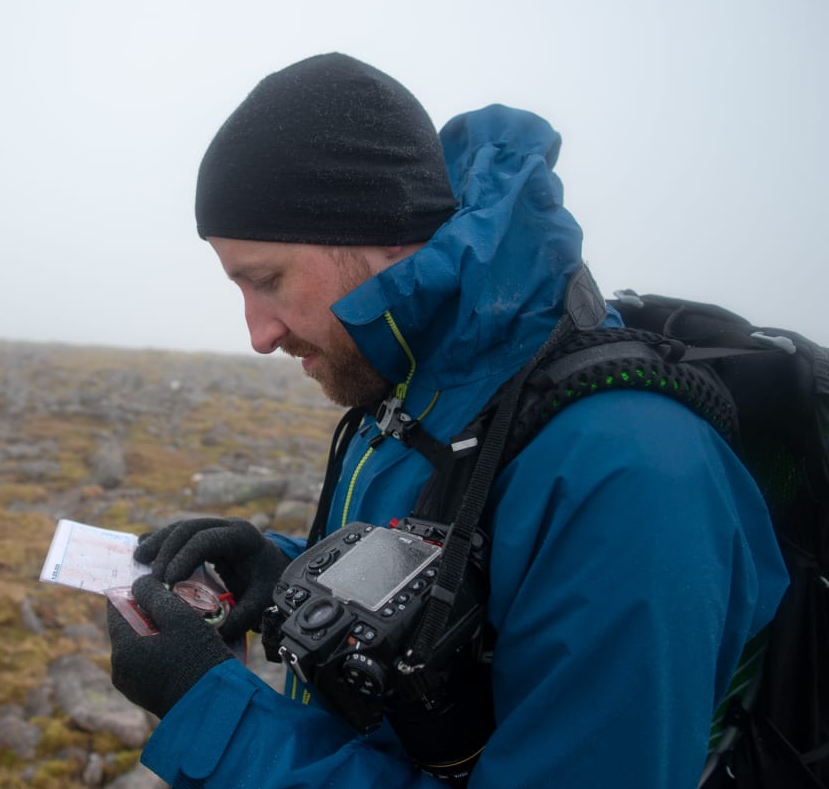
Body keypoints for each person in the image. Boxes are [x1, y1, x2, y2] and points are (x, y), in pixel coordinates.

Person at [105, 53, 789, 788]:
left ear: (382, 236)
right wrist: (280, 573)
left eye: (267, 280)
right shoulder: (417, 388)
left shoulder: (632, 482)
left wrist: (215, 716)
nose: (258, 333)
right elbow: (442, 587)